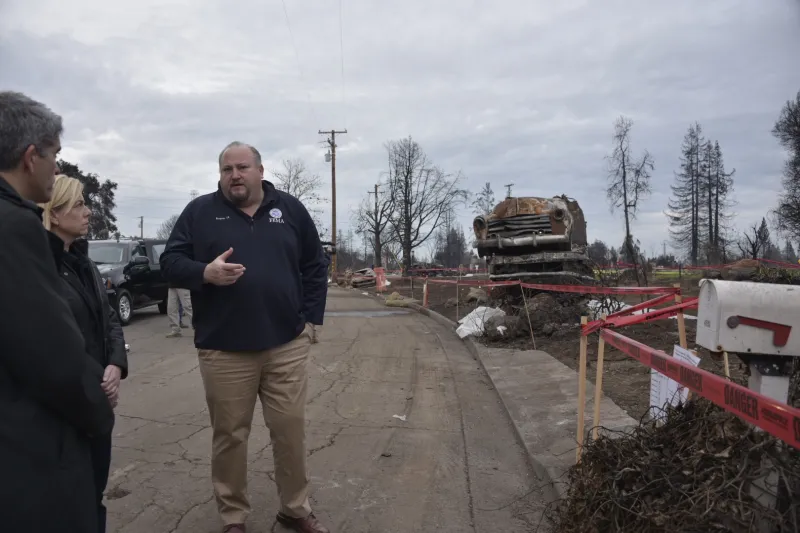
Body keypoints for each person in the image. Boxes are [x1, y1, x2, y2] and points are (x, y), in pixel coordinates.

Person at [160, 141, 329, 533]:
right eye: (226, 170)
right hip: (224, 349)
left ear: (260, 170)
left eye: (242, 167)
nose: (234, 175)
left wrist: (310, 320)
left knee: (289, 430)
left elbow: (315, 265)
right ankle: (233, 517)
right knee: (230, 437)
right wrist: (205, 273)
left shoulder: (289, 210)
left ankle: (294, 509)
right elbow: (170, 262)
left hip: (285, 344)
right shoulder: (200, 212)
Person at [0, 90, 115, 532]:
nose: (56, 167)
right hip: (26, 446)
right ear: (31, 156)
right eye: (55, 156)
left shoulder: (81, 259)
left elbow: (104, 321)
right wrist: (96, 411)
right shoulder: (15, 226)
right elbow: (50, 353)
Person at [41, 175, 129, 533]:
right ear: (55, 213)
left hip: (97, 395)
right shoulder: (39, 267)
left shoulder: (84, 262)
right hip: (68, 402)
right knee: (65, 499)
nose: (88, 211)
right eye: (79, 204)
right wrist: (98, 374)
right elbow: (53, 338)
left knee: (94, 492)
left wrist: (116, 365)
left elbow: (109, 317)